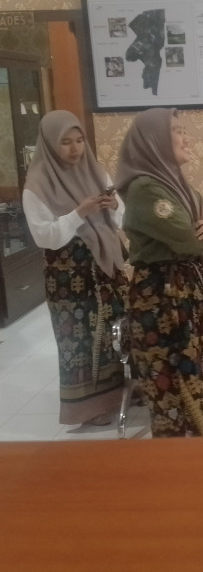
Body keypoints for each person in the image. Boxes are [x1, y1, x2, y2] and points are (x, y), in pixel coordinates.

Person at [115, 108, 203, 437]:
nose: (186, 138)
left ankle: (199, 454)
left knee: (197, 379)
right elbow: (189, 239)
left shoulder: (175, 185)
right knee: (173, 386)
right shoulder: (145, 189)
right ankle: (178, 461)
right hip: (162, 301)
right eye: (177, 131)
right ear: (154, 141)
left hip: (185, 296)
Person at [23, 111, 128, 428]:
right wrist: (78, 213)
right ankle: (88, 409)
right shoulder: (37, 186)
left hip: (106, 269)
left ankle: (121, 394)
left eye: (79, 140)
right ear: (49, 144)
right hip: (69, 278)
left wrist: (114, 206)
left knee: (114, 333)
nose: (75, 149)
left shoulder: (96, 172)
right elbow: (45, 236)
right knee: (79, 342)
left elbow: (122, 219)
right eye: (65, 142)